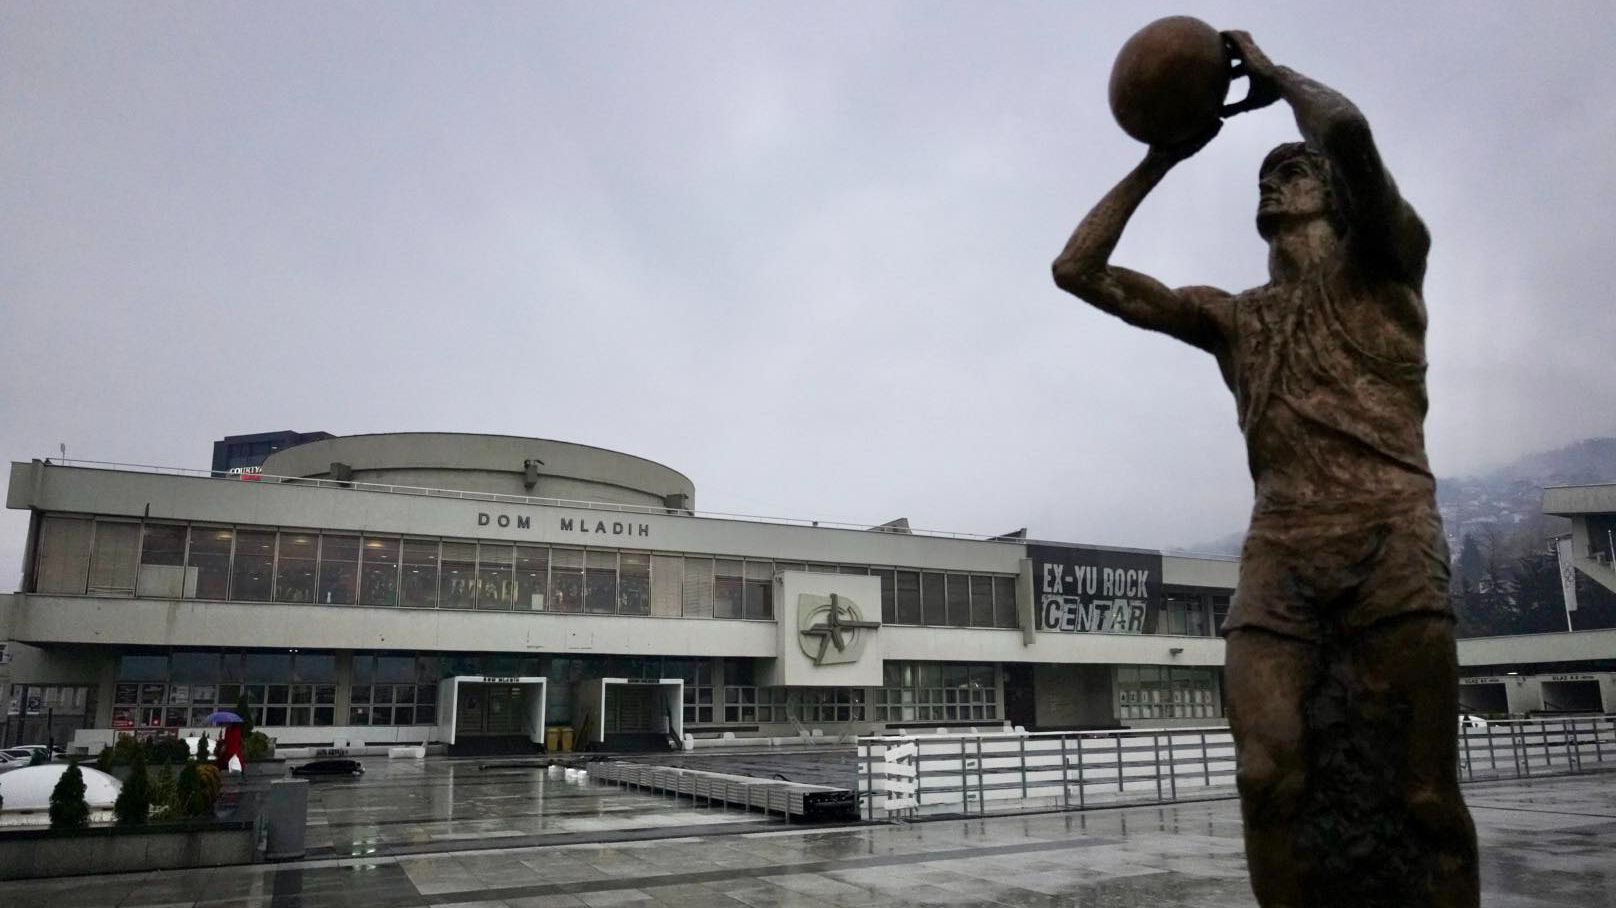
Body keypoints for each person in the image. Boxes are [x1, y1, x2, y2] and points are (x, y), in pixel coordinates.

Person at [1051, 31, 1479, 908]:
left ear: (1333, 193)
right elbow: (1077, 269)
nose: (1274, 180)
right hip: (1281, 551)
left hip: (1389, 534)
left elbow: (1348, 129)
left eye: (1295, 171)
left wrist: (1278, 78)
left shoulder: (1387, 269)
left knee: (1426, 796)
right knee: (1264, 776)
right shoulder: (1236, 318)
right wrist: (1161, 159)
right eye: (1266, 175)